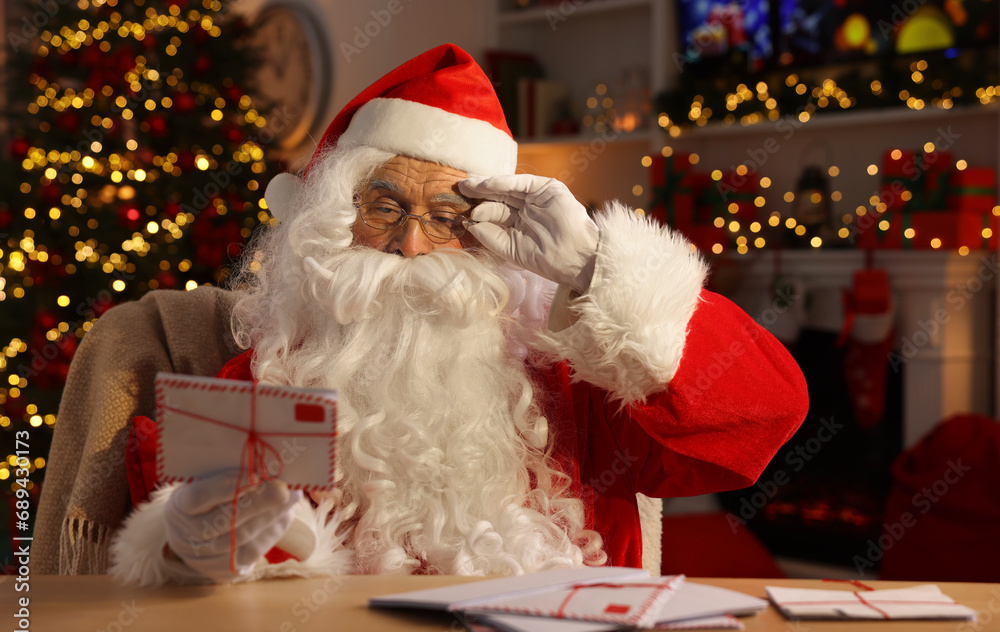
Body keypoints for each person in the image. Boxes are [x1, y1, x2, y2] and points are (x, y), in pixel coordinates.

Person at [60, 44, 808, 585]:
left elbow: (762, 420)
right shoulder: (275, 375)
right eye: (384, 206)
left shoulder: (567, 390)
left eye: (449, 217)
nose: (413, 246)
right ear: (328, 223)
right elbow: (201, 546)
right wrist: (212, 541)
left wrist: (594, 270)